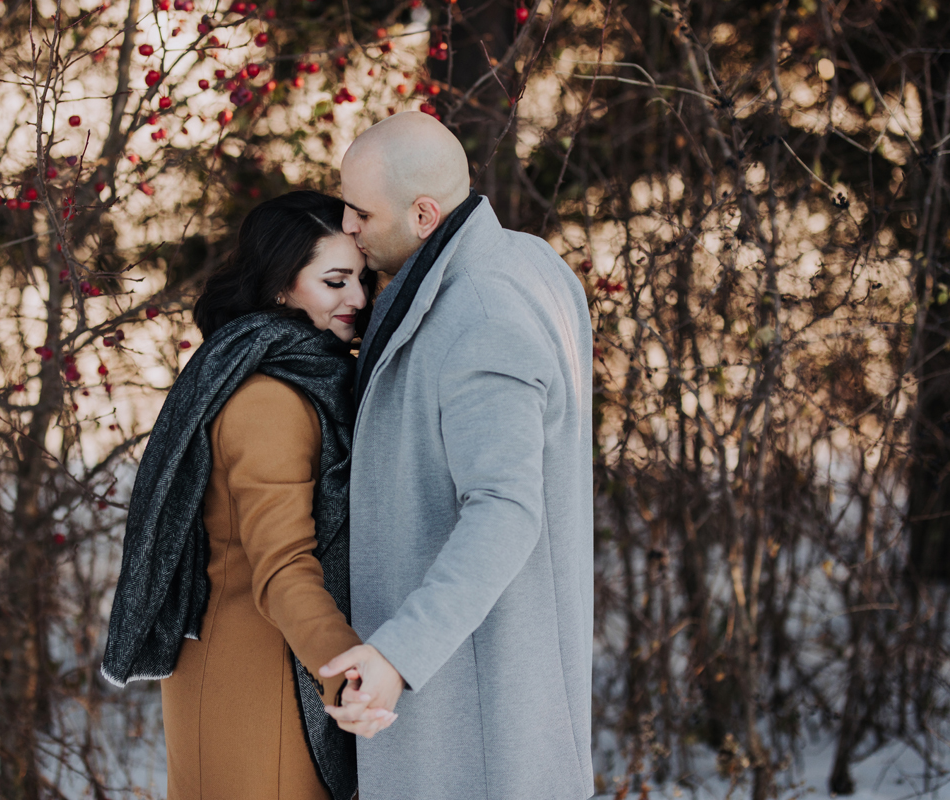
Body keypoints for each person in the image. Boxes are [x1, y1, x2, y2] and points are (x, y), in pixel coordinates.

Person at [318, 111, 597, 799]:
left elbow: (505, 511)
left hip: (477, 710)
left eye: (359, 212)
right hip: (487, 687)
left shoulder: (479, 316)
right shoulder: (524, 259)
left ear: (422, 213)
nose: (346, 228)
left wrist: (399, 653)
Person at [100, 191, 381, 800]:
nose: (358, 299)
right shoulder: (270, 401)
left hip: (257, 665)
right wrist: (351, 671)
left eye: (361, 278)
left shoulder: (293, 375)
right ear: (281, 287)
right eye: (334, 281)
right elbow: (281, 566)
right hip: (260, 680)